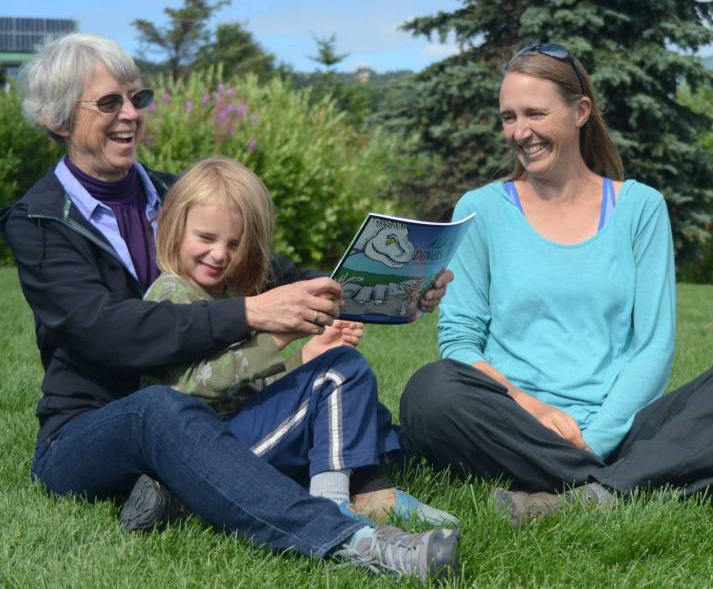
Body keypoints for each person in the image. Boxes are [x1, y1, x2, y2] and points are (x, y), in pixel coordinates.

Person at [0, 33, 458, 581]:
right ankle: (349, 538)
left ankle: (198, 488)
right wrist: (252, 315)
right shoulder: (38, 221)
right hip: (93, 430)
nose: (130, 115)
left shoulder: (184, 196)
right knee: (161, 412)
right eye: (108, 102)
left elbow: (278, 273)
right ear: (57, 119)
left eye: (137, 99)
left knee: (340, 381)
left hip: (209, 413)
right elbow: (105, 331)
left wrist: (389, 291)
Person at [399, 43, 713, 525]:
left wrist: (594, 439)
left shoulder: (640, 207)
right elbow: (460, 342)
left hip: (625, 427)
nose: (520, 131)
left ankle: (588, 487)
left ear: (581, 112)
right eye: (508, 117)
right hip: (510, 422)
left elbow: (652, 346)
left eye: (535, 113)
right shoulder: (482, 207)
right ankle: (648, 479)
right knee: (429, 391)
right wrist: (530, 407)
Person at [137, 155, 456, 527]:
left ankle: (376, 492)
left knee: (348, 380)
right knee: (342, 372)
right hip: (209, 457)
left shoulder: (227, 292)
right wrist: (280, 333)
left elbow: (249, 392)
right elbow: (194, 387)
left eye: (235, 243)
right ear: (175, 228)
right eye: (206, 238)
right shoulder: (169, 293)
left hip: (242, 436)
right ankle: (331, 504)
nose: (220, 253)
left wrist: (305, 357)